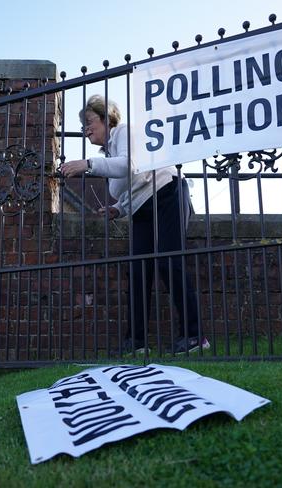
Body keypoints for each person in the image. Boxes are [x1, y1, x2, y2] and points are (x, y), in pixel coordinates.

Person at [60, 95, 209, 355]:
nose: (85, 128)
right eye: (83, 124)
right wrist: (118, 209)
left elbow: (130, 165)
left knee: (169, 262)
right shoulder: (108, 154)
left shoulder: (124, 132)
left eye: (90, 121)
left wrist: (87, 164)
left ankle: (195, 336)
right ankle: (136, 343)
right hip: (142, 207)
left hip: (167, 193)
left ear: (107, 119)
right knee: (138, 272)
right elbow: (131, 188)